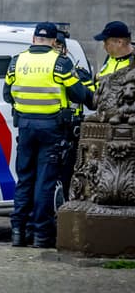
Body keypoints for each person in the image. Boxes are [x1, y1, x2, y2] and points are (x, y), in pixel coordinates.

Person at [2, 22, 94, 248]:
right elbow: (79, 93)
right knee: (45, 182)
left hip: (24, 127)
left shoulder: (17, 61)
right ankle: (40, 235)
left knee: (24, 180)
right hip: (52, 129)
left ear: (34, 39)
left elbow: (7, 95)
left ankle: (17, 231)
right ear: (54, 41)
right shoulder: (60, 63)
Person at [54, 31, 95, 201]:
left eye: (58, 46)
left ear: (64, 50)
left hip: (70, 133)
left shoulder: (79, 72)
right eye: (53, 46)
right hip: (50, 128)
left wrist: (78, 84)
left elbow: (92, 100)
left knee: (69, 177)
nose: (55, 50)